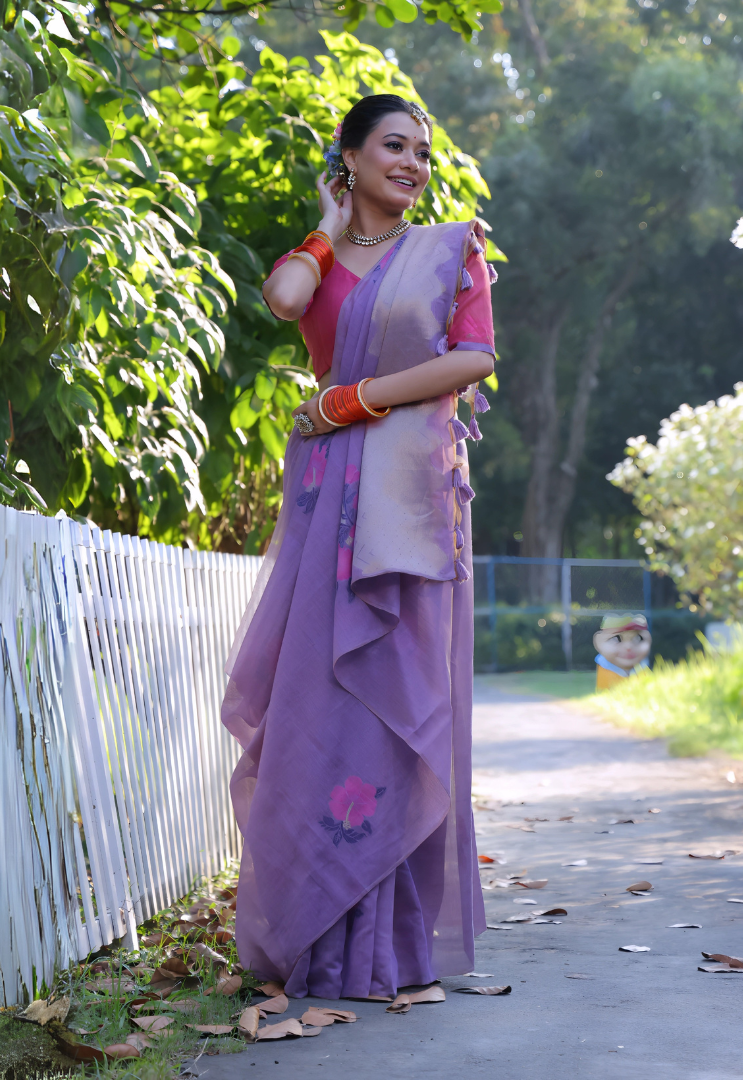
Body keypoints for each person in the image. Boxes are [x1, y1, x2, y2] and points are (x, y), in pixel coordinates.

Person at [220, 94, 495, 1002]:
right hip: (325, 503)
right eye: (393, 146)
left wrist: (358, 397)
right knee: (317, 702)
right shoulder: (328, 250)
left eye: (422, 151)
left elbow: (474, 359)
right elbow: (284, 300)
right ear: (350, 156)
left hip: (410, 505)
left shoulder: (454, 249)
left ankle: (388, 945)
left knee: (395, 707)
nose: (413, 164)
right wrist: (330, 226)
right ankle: (311, 935)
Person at [592, 613, 651, 692]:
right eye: (617, 639)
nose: (628, 647)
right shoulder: (605, 667)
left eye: (638, 638)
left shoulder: (642, 666)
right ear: (598, 642)